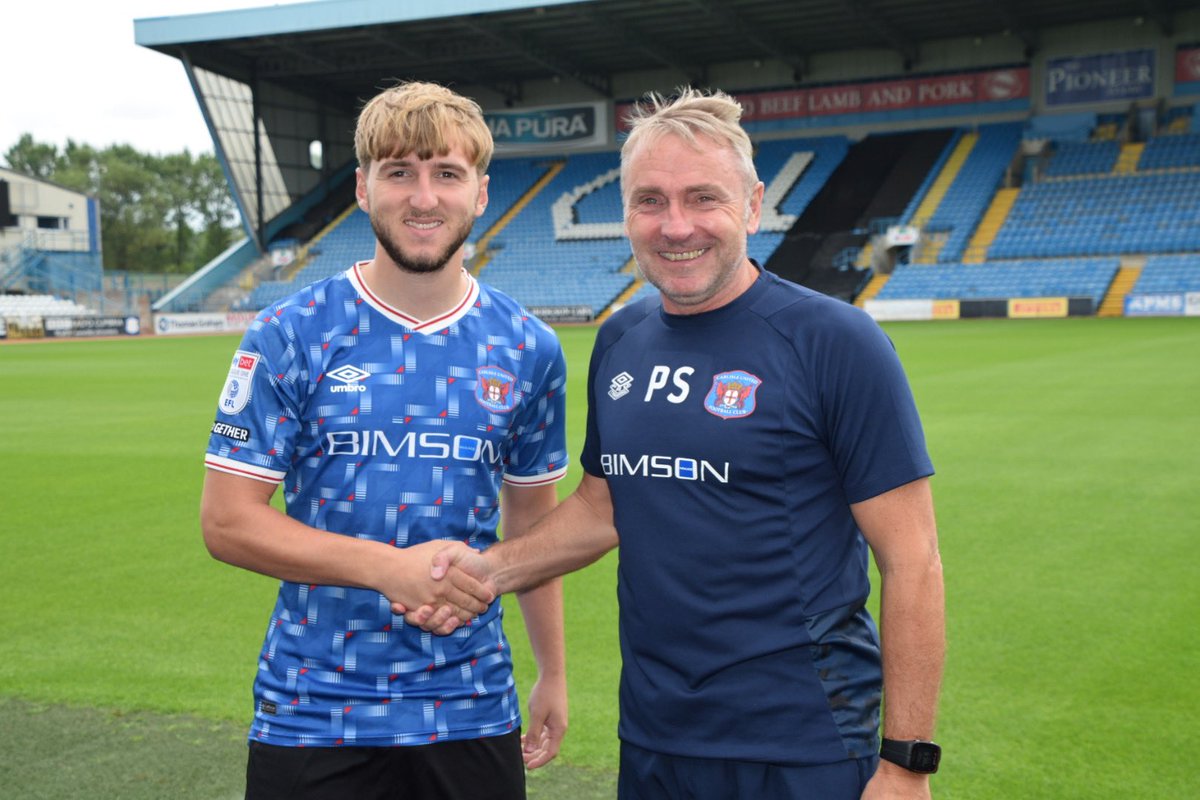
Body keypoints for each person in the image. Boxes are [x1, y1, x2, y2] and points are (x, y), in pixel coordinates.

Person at [412, 87, 945, 800]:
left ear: (753, 206)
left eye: (703, 199)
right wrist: (482, 573)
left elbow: (913, 561)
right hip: (656, 739)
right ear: (626, 212)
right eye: (650, 201)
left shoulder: (836, 343)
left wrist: (906, 766)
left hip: (801, 745)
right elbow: (604, 506)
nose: (676, 225)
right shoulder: (621, 340)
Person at [200, 80, 569, 800]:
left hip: (470, 704)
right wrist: (387, 569)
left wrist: (551, 669)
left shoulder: (530, 347)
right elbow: (227, 523)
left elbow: (533, 523)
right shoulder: (290, 331)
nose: (423, 197)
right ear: (364, 188)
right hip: (313, 709)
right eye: (400, 172)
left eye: (446, 174)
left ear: (481, 192)